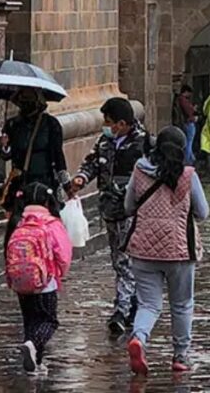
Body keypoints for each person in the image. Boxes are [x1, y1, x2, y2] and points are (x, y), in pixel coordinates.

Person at [124, 127, 209, 376]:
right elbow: (203, 213)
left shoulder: (139, 171)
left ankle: (139, 337)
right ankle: (180, 356)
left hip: (143, 251)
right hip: (179, 251)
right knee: (182, 304)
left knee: (148, 304)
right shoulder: (188, 175)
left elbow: (129, 206)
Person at [69, 97, 149, 336]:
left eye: (109, 121)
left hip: (132, 212)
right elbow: (92, 163)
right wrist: (81, 178)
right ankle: (132, 303)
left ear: (122, 124)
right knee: (119, 259)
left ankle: (122, 310)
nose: (106, 125)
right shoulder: (106, 141)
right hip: (110, 211)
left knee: (125, 260)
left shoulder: (143, 144)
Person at [4, 181, 72, 375]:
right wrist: (60, 273)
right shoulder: (51, 223)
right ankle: (33, 346)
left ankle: (35, 361)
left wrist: (11, 279)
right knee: (49, 321)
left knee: (30, 320)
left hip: (20, 281)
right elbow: (64, 254)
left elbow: (7, 253)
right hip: (45, 282)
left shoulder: (17, 222)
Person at [0, 89, 67, 213]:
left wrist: (66, 184)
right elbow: (5, 155)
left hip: (45, 179)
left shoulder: (51, 124)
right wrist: (5, 146)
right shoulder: (13, 124)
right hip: (21, 181)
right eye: (23, 99)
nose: (25, 103)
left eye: (29, 100)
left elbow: (58, 155)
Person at [175, 85, 197, 165]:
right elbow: (188, 111)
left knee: (188, 142)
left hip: (186, 123)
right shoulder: (183, 100)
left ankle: (191, 159)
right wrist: (193, 110)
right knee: (189, 143)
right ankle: (187, 160)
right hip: (188, 123)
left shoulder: (180, 99)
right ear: (186, 92)